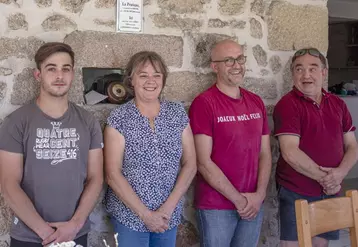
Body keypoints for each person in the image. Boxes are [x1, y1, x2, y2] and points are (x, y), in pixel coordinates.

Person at [0, 42, 104, 247]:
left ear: (73, 74)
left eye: (66, 69)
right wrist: (45, 232)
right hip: (28, 236)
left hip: (75, 233)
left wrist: (75, 224)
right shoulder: (17, 122)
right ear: (38, 75)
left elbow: (96, 177)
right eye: (51, 69)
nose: (59, 76)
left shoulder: (88, 121)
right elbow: (8, 184)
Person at [103, 51, 197, 247]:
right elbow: (112, 174)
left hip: (167, 216)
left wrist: (168, 208)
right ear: (131, 81)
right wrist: (146, 215)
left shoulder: (177, 113)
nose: (150, 81)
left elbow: (190, 164)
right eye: (143, 75)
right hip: (130, 216)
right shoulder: (119, 119)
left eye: (157, 75)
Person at [189, 39, 272, 247]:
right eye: (229, 60)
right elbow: (203, 162)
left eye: (240, 58)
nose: (237, 65)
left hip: (253, 203)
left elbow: (265, 154)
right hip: (216, 207)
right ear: (214, 66)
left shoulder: (256, 102)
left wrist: (259, 195)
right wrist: (238, 200)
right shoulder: (204, 103)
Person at [273, 48, 358, 247]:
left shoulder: (338, 104)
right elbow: (290, 151)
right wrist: (328, 179)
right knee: (293, 244)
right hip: (296, 190)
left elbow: (352, 145)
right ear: (293, 74)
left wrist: (339, 174)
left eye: (313, 68)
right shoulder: (288, 105)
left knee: (321, 244)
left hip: (330, 191)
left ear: (323, 72)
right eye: (299, 69)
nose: (306, 75)